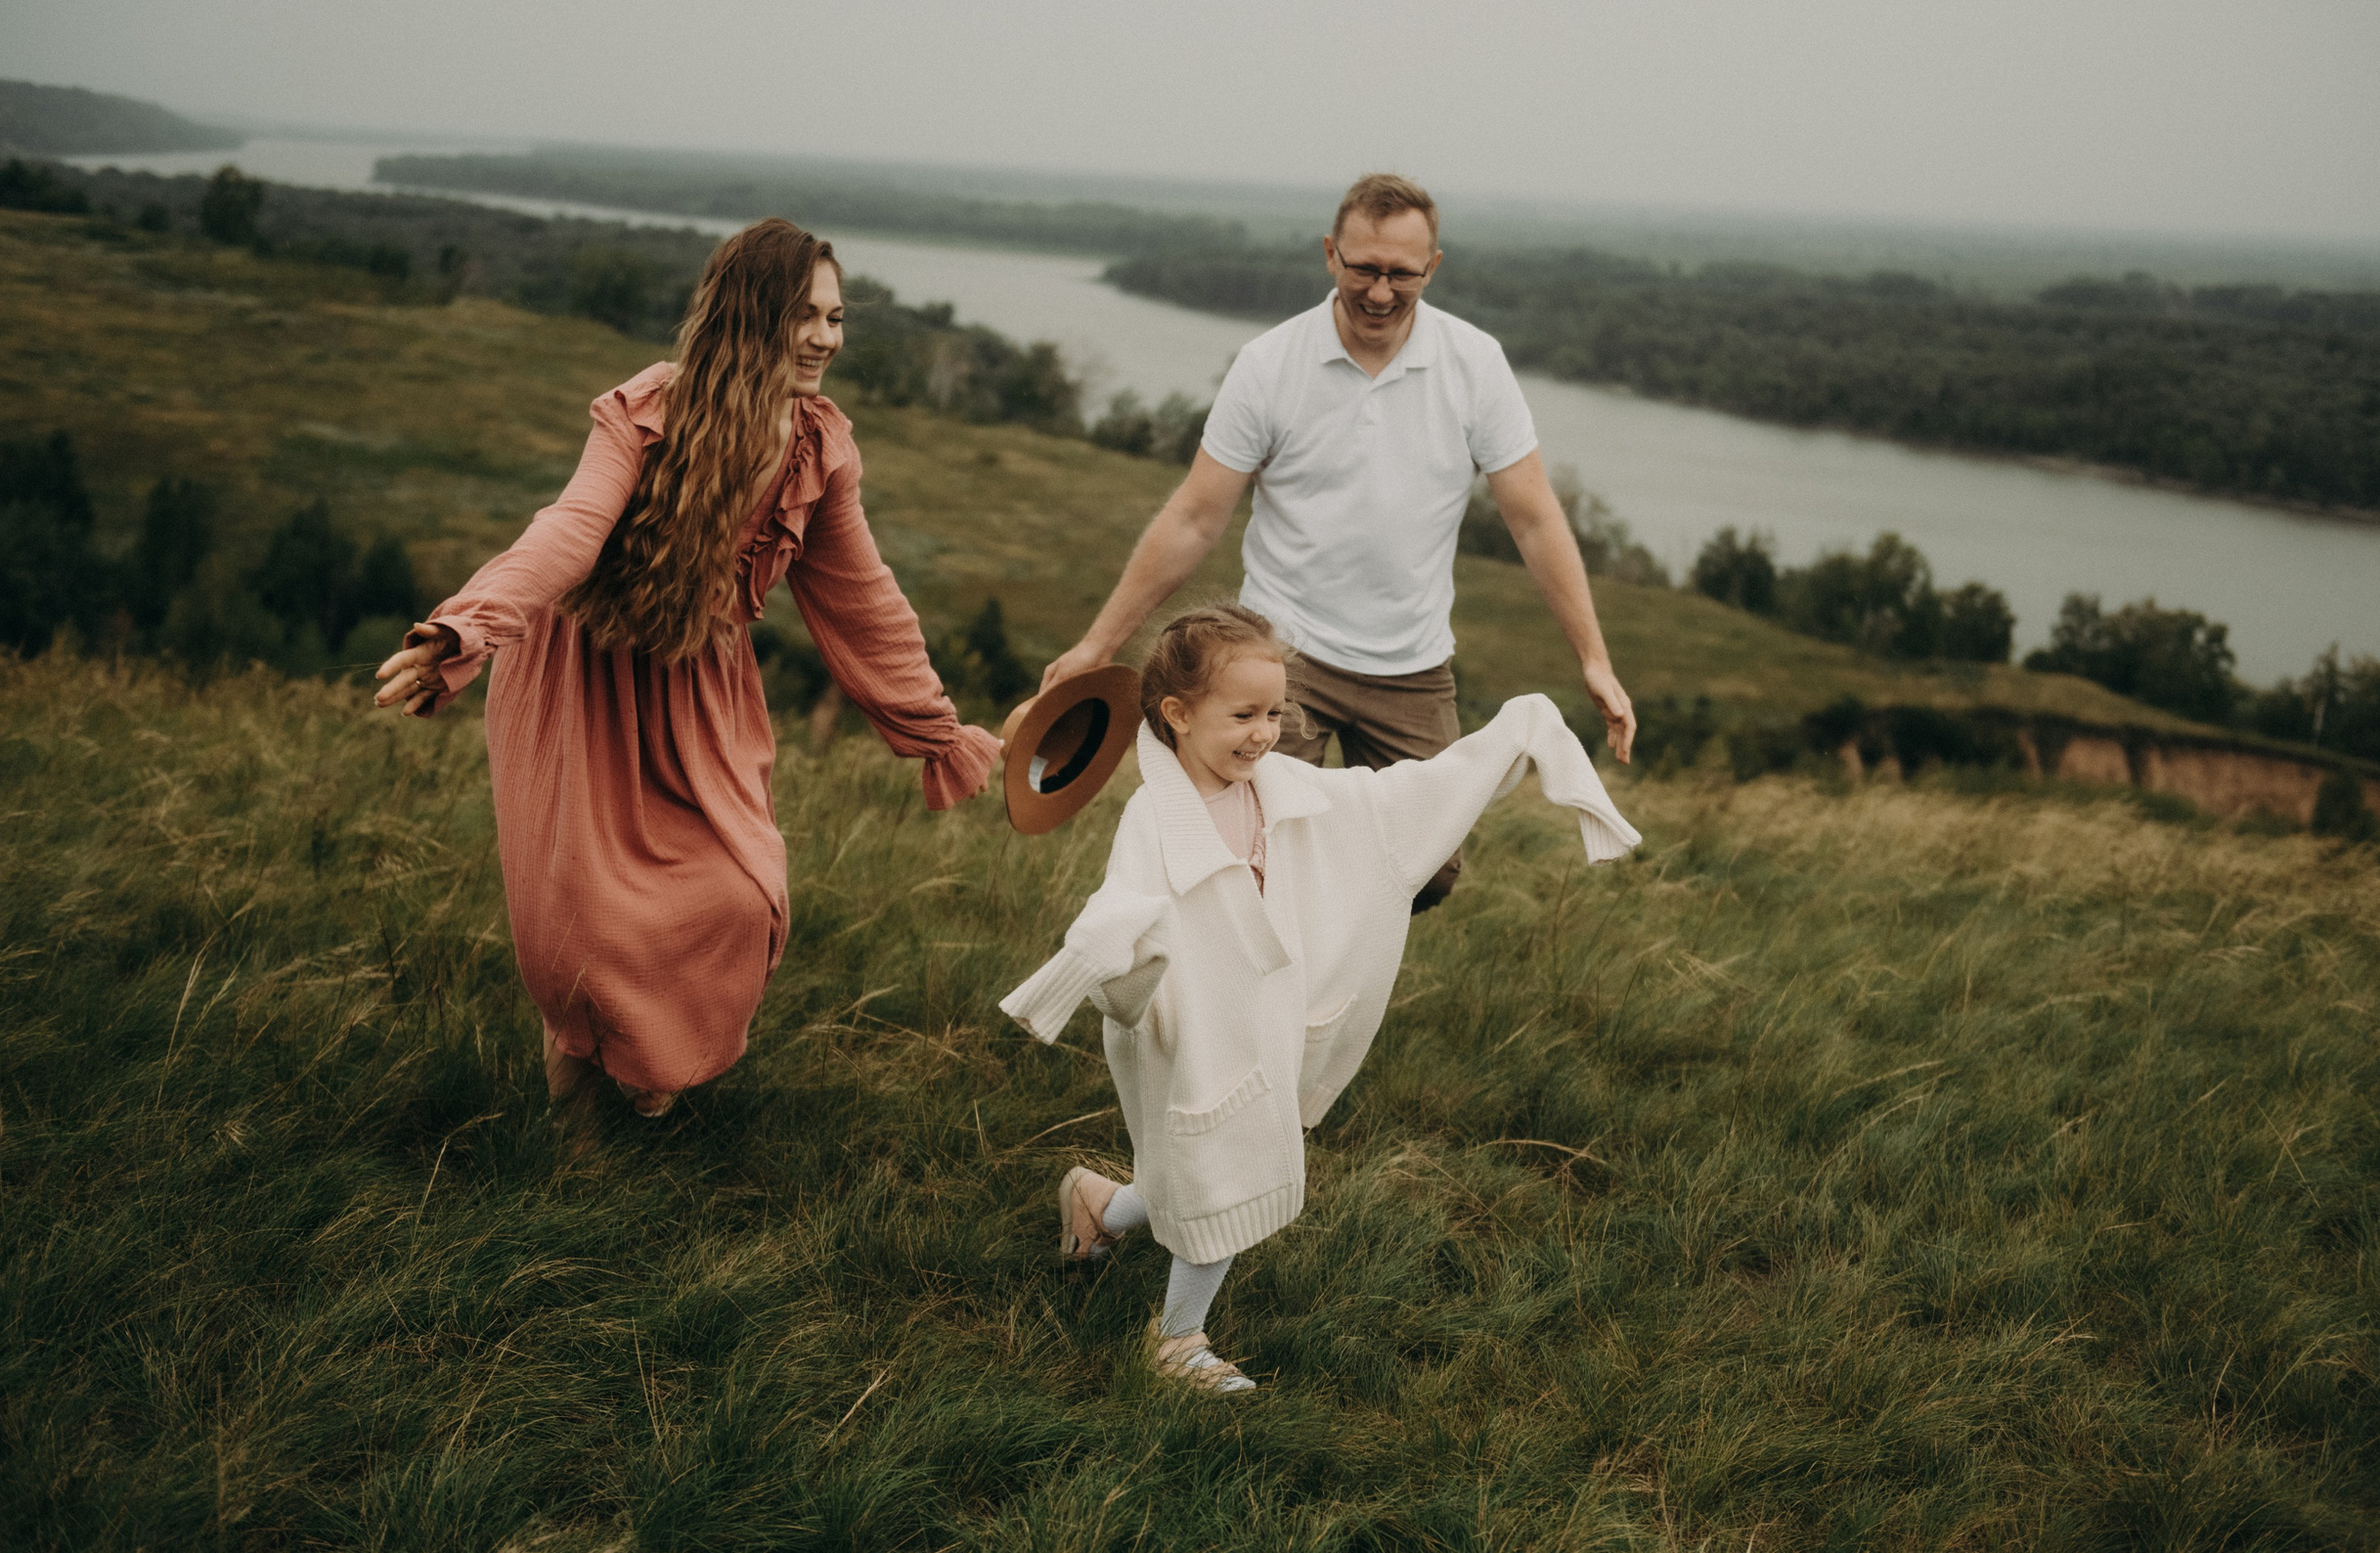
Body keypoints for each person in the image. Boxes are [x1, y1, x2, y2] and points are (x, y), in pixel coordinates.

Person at [373, 218, 1000, 1123]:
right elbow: (569, 531)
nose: (827, 335)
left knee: (744, 893)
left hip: (701, 688)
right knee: (591, 917)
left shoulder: (820, 447)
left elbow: (865, 602)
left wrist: (935, 733)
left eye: (837, 315)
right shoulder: (647, 409)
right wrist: (465, 628)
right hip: (582, 675)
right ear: (753, 315)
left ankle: (652, 1057)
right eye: (806, 315)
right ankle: (574, 1148)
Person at [1000, 604, 1639, 1392]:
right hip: (1185, 1022)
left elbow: (1391, 804)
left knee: (1199, 1164)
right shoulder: (1153, 818)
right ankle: (1175, 1343)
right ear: (1178, 714)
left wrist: (1516, 734)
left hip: (1261, 1015)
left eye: (1274, 712)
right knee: (1222, 1164)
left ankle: (1099, 1203)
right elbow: (1119, 912)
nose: (1265, 732)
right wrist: (1088, 963)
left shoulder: (1283, 788)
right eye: (1243, 715)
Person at [1036, 173, 1638, 912]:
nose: (1380, 292)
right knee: (1256, 855)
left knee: (1429, 871)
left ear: (1434, 268)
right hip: (1284, 659)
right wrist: (1099, 645)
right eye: (1363, 269)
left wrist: (1594, 658)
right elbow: (1195, 517)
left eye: (1401, 274)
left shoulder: (1475, 364)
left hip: (1412, 665)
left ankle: (1320, 954)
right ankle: (1279, 1003)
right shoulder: (1269, 365)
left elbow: (1535, 518)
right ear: (1330, 254)